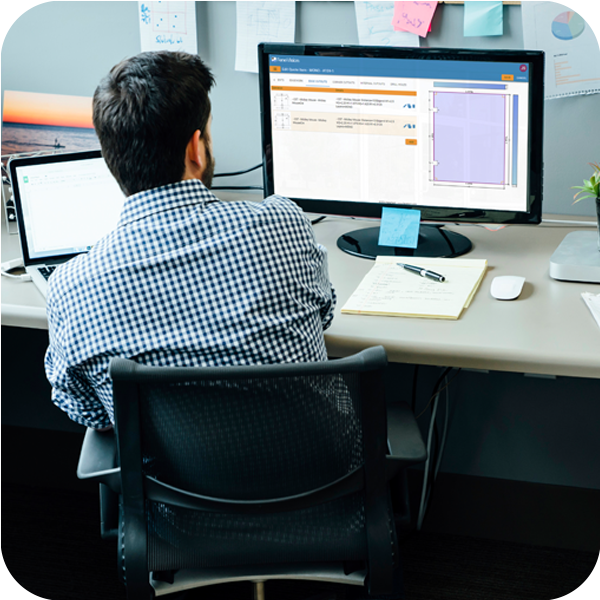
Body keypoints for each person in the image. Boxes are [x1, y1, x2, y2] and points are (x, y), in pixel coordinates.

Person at [44, 51, 336, 430]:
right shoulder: (283, 225)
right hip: (314, 476)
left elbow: (89, 411)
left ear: (110, 157)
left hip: (166, 487)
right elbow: (322, 313)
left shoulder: (70, 288)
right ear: (196, 148)